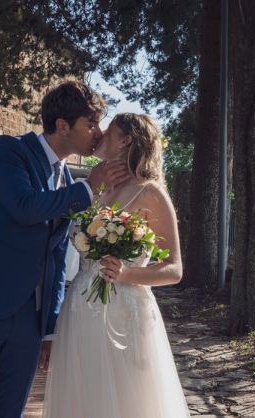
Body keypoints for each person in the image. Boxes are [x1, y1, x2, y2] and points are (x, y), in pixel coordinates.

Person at [0, 80, 130, 418]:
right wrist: (89, 188)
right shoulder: (8, 150)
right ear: (62, 125)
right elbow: (25, 207)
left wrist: (49, 328)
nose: (99, 133)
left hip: (29, 321)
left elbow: (56, 257)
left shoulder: (66, 180)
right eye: (91, 124)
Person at [42, 112, 191, 418]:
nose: (100, 135)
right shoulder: (93, 189)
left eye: (108, 132)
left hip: (123, 314)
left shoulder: (150, 193)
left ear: (126, 141)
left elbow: (174, 269)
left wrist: (127, 273)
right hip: (79, 309)